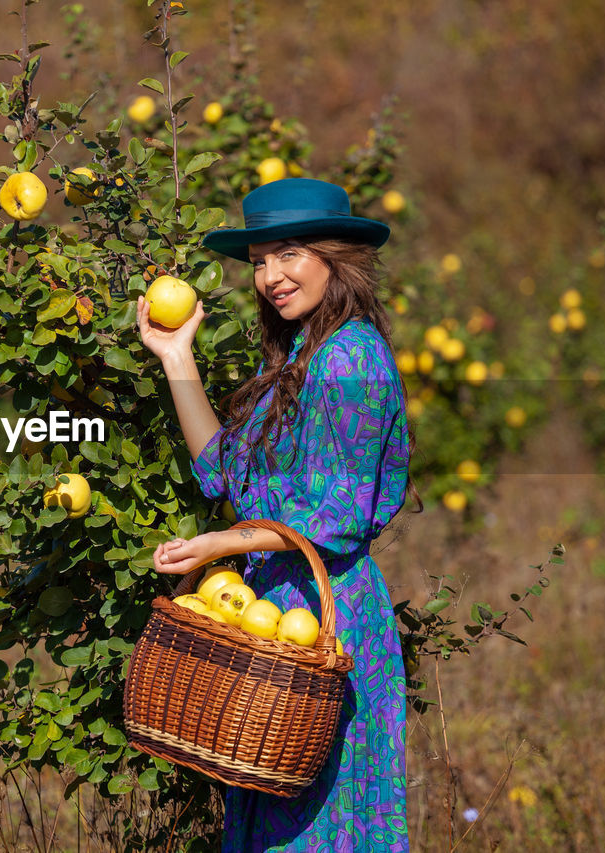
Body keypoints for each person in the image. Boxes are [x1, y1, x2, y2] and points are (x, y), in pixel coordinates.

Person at [136, 177, 413, 852]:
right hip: (271, 612)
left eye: (288, 253)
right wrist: (178, 358)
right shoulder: (299, 356)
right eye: (259, 261)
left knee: (325, 821)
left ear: (333, 255)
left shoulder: (350, 357)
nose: (270, 276)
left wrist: (217, 545)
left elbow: (336, 515)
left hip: (326, 610)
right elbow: (224, 470)